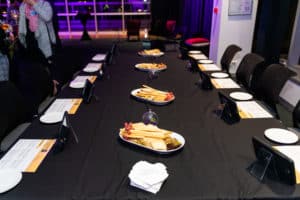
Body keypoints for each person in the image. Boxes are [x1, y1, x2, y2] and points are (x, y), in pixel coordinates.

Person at [18, 0, 59, 95]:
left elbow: (47, 17)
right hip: (30, 41)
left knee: (47, 64)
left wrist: (34, 4)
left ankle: (53, 88)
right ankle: (42, 91)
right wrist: (21, 38)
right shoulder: (23, 6)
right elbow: (22, 24)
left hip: (43, 40)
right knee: (35, 67)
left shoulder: (44, 4)